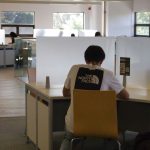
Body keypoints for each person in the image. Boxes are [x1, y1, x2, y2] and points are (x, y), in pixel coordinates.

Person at [60, 45, 129, 150]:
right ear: (102, 60)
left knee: (68, 138)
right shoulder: (108, 74)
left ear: (85, 59)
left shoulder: (74, 69)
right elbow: (125, 96)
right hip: (101, 126)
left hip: (75, 126)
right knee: (116, 134)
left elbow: (65, 93)